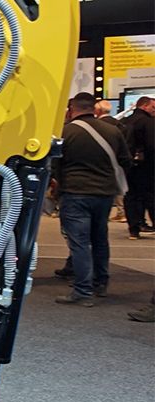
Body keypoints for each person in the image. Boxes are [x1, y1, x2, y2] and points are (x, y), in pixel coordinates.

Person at [52, 93, 130, 307]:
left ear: (71, 110)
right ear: (95, 109)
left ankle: (82, 291)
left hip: (75, 192)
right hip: (105, 193)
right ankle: (100, 284)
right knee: (100, 239)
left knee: (79, 243)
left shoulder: (65, 133)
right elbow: (125, 160)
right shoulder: (112, 130)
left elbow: (55, 165)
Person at [122, 97, 155, 240]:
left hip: (128, 165)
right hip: (146, 165)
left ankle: (133, 229)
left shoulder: (125, 121)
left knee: (131, 197)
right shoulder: (148, 122)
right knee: (151, 196)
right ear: (145, 106)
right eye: (153, 107)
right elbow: (152, 145)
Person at [95, 100, 126, 222]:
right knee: (119, 187)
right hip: (117, 161)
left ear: (98, 110)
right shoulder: (119, 125)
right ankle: (121, 211)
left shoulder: (96, 126)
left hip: (99, 162)